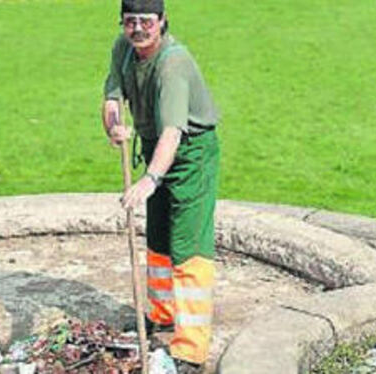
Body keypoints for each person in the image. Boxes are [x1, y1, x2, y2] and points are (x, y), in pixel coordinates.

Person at [100, 0, 220, 371]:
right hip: (154, 147)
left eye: (146, 22)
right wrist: (115, 126)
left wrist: (150, 180)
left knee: (188, 245)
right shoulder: (124, 48)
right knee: (159, 239)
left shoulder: (173, 64)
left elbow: (173, 131)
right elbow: (111, 97)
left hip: (190, 153)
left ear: (162, 22)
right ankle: (162, 314)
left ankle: (191, 349)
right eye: (130, 21)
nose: (138, 29)